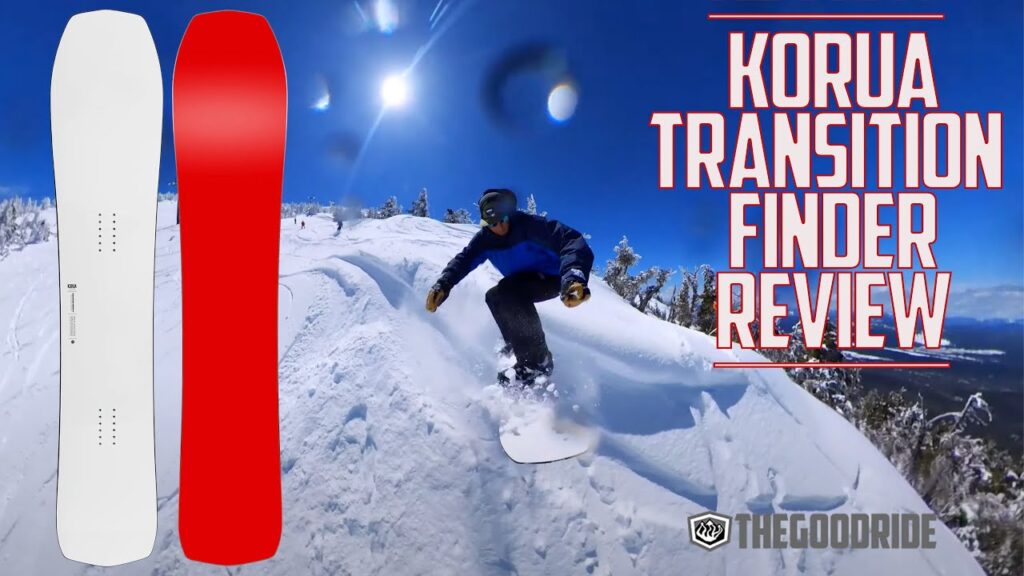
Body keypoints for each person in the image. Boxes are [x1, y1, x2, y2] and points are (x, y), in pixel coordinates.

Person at [425, 188, 593, 385]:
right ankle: (515, 344)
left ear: (509, 214)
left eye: (503, 219)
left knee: (508, 290)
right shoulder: (484, 240)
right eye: (492, 223)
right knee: (494, 296)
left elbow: (571, 240)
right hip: (523, 280)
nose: (499, 227)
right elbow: (464, 260)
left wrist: (573, 277)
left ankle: (537, 362)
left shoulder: (529, 226)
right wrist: (443, 284)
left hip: (554, 278)